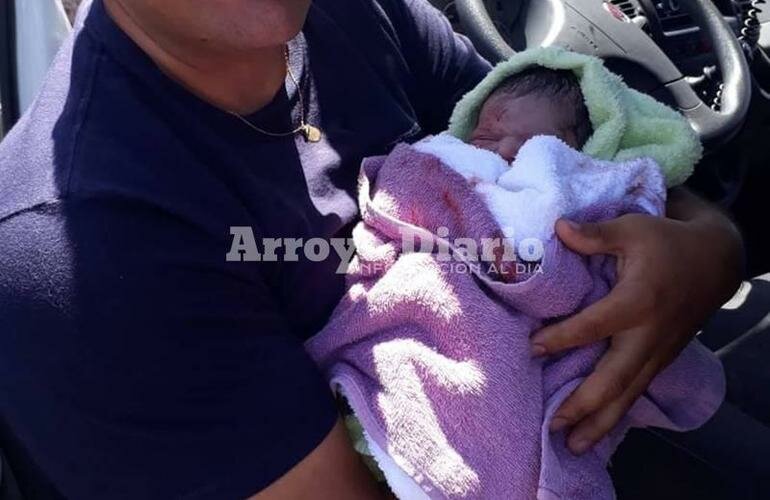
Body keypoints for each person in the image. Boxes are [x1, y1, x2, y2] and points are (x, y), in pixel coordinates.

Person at [0, 0, 743, 498]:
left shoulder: (352, 12)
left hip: (597, 401)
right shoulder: (84, 251)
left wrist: (709, 250)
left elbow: (567, 158)